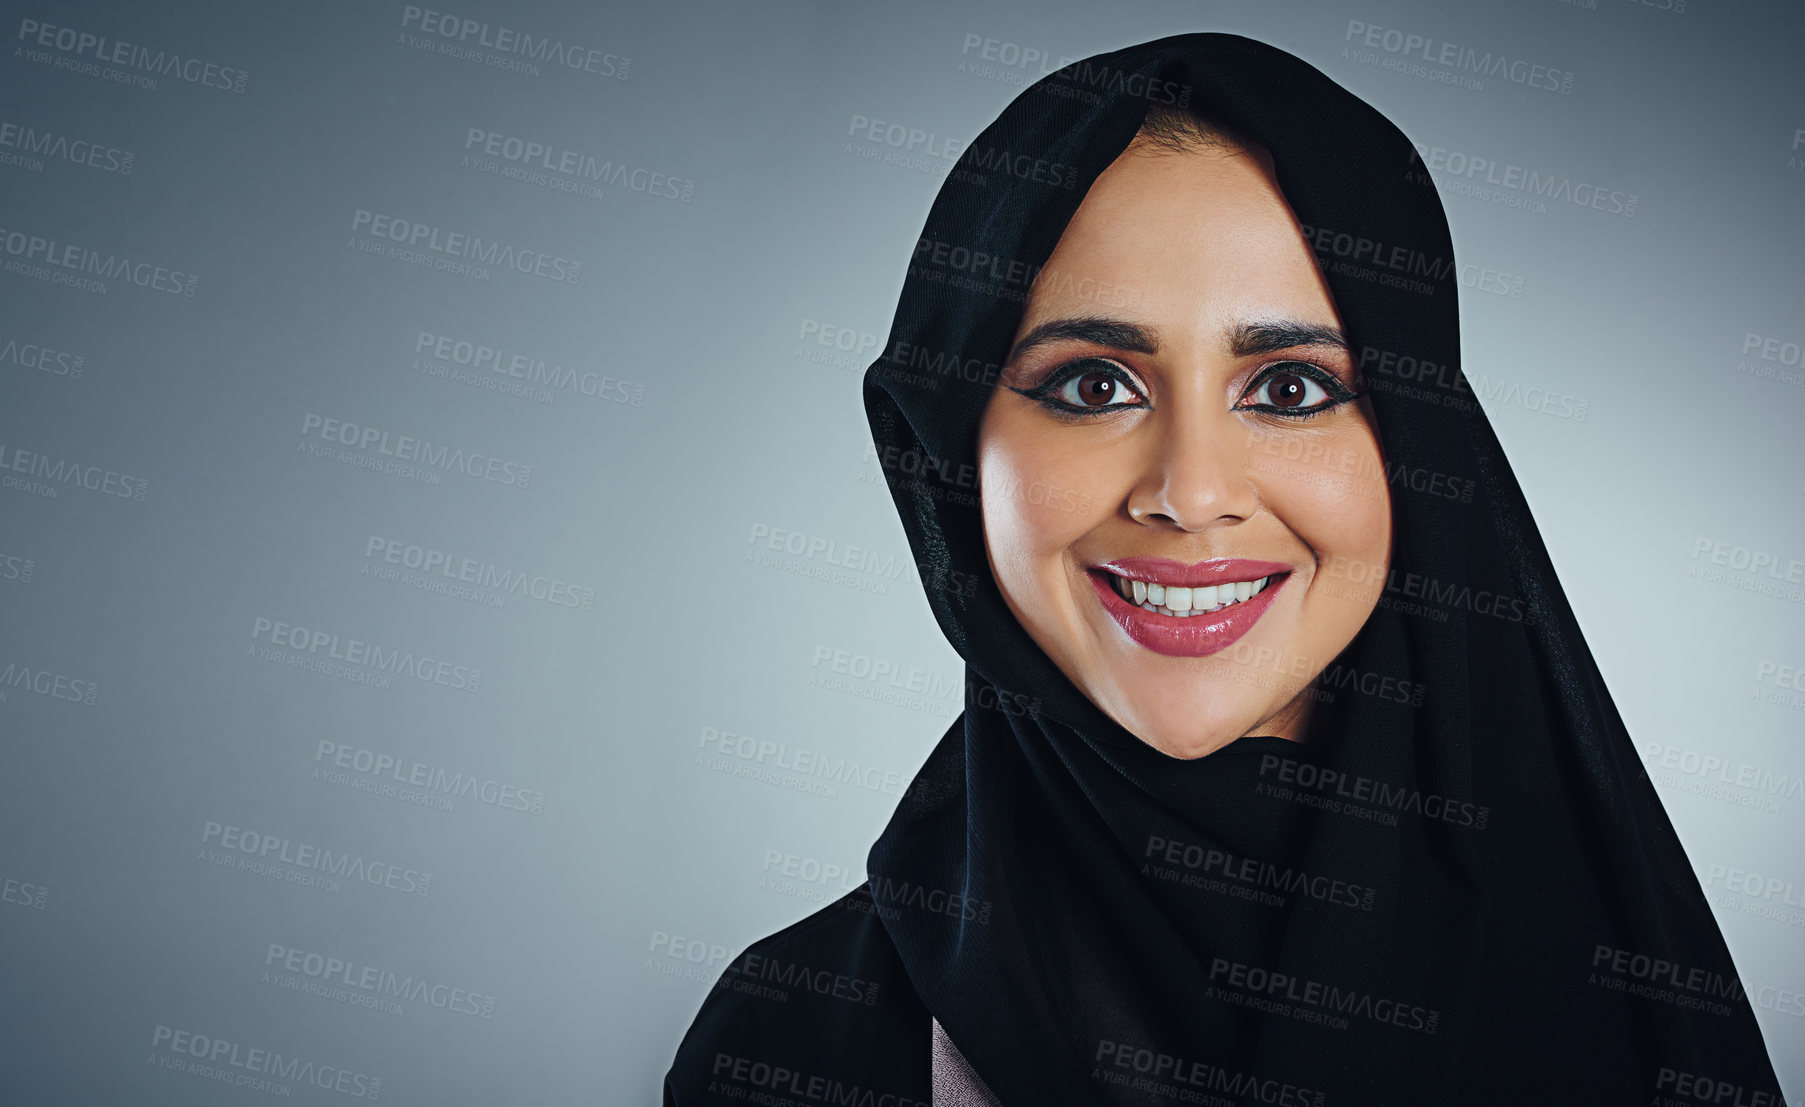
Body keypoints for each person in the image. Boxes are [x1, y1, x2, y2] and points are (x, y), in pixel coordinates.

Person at [665, 33, 1781, 1106]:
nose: (1190, 493)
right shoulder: (787, 1042)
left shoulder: (1621, 1005)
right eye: (1092, 386)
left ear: (1418, 450)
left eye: (1290, 388)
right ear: (942, 456)